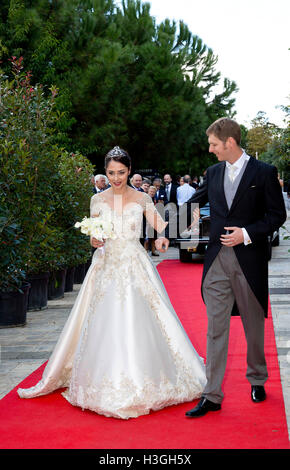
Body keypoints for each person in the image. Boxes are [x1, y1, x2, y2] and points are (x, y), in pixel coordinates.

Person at [17, 146, 206, 419]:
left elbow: (161, 228)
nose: (116, 178)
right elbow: (95, 233)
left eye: (121, 172)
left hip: (134, 265)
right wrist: (93, 240)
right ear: (105, 173)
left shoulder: (141, 199)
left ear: (129, 171)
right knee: (100, 323)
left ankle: (147, 378)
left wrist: (178, 227)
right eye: (110, 173)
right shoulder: (97, 201)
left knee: (143, 320)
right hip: (105, 266)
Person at [157, 117, 287, 418]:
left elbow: (276, 215)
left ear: (229, 142)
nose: (211, 150)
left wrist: (247, 233)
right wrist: (161, 231)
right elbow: (191, 206)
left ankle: (257, 378)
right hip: (216, 262)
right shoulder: (213, 173)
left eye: (214, 144)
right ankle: (212, 394)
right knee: (216, 328)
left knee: (254, 326)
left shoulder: (264, 172)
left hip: (249, 261)